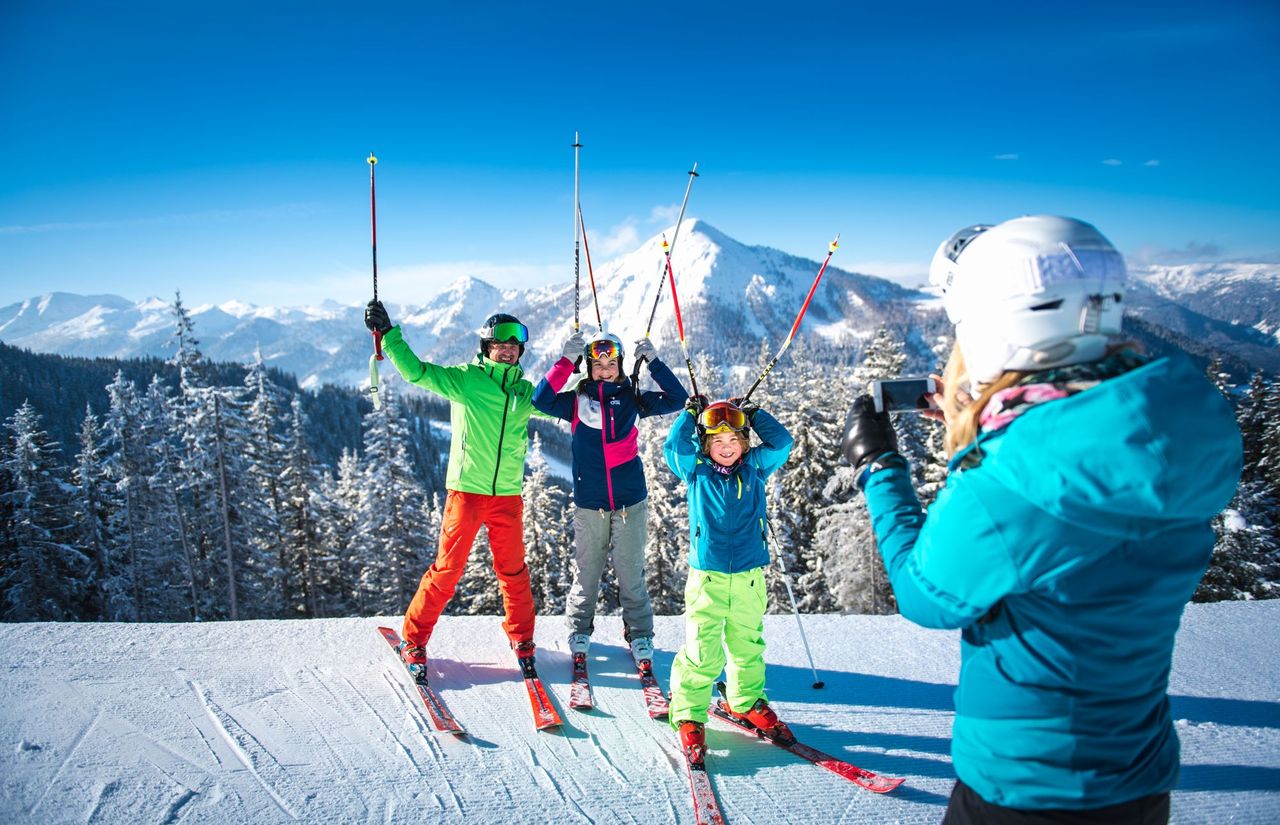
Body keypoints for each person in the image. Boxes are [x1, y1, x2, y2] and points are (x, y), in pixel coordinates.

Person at [840, 215, 1243, 823]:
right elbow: (1066, 515)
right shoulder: (1172, 433)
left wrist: (878, 468)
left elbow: (928, 596)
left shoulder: (1010, 480)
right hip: (1139, 774)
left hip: (1026, 782)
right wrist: (989, 422)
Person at [364, 301, 543, 672]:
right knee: (447, 571)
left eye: (515, 344)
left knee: (513, 572)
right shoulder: (466, 380)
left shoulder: (524, 392)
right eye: (500, 343)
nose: (508, 349)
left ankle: (522, 636)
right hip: (466, 493)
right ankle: (413, 641)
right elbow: (416, 373)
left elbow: (565, 406)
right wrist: (389, 334)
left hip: (508, 496)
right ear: (487, 348)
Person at [532, 331, 689, 666]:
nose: (605, 369)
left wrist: (655, 363)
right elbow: (540, 400)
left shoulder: (633, 399)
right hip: (590, 504)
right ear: (589, 366)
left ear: (620, 365)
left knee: (631, 573)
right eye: (598, 364)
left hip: (630, 501)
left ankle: (640, 634)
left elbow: (678, 398)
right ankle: (579, 630)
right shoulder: (575, 402)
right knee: (587, 573)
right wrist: (565, 361)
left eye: (612, 363)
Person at [664, 396, 794, 763]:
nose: (726, 448)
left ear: (745, 443)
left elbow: (782, 442)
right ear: (706, 445)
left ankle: (745, 700)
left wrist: (753, 413)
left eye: (734, 441)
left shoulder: (755, 467)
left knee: (747, 643)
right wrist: (689, 414)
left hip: (750, 576)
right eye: (717, 442)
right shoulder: (696, 471)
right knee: (703, 648)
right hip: (708, 576)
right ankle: (689, 711)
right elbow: (673, 447)